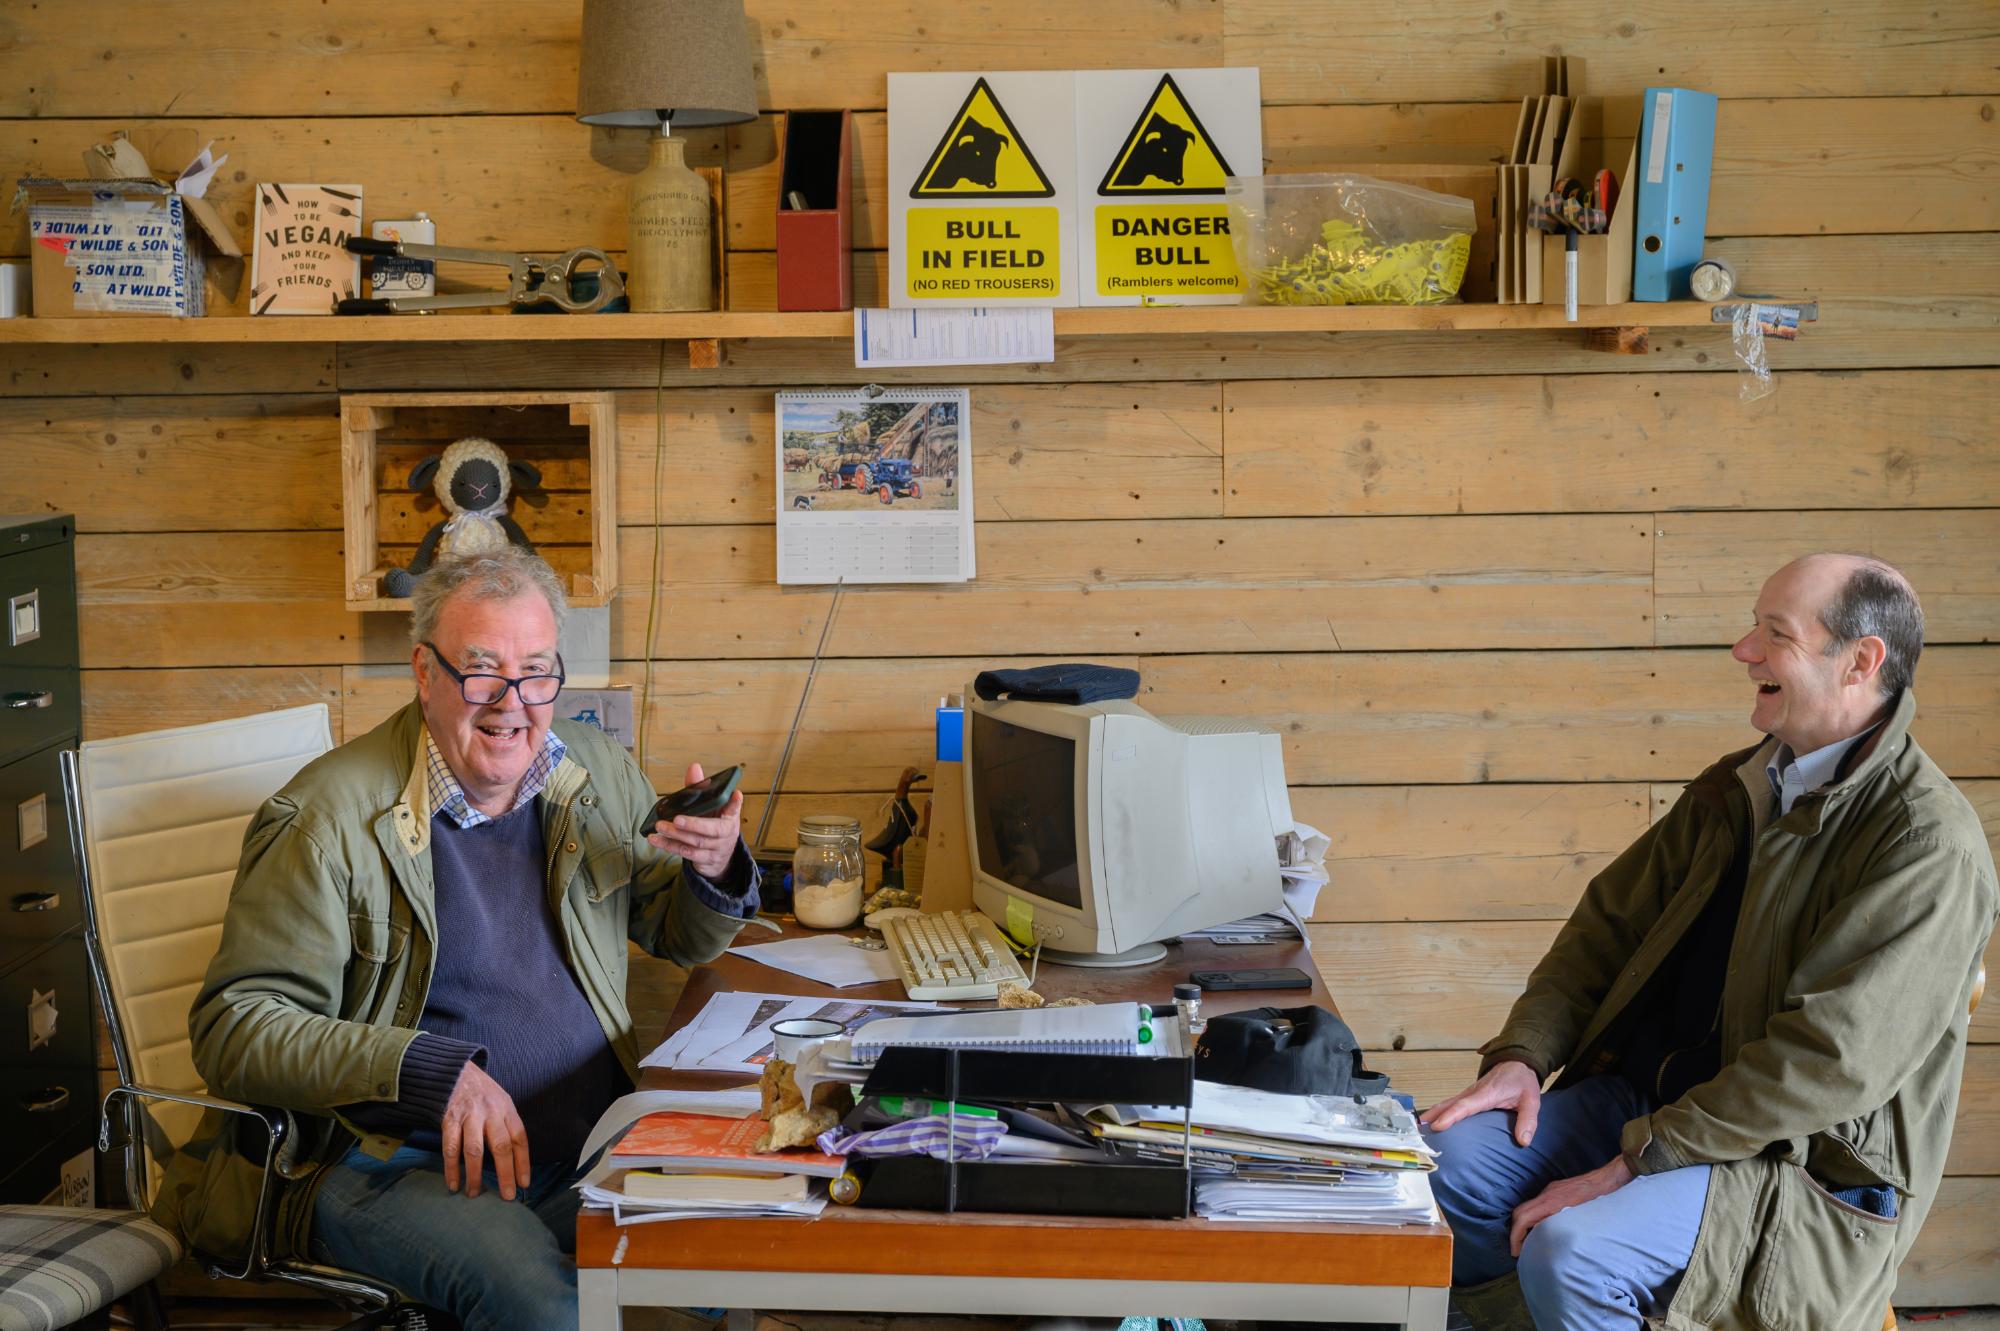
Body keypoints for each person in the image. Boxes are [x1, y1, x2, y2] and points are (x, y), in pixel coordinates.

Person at [156, 550, 760, 1330]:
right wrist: (423, 1068)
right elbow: (234, 1028)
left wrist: (714, 868)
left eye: (537, 672)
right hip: (384, 1159)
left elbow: (677, 932)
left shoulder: (592, 769)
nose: (513, 704)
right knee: (549, 1308)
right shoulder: (323, 819)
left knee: (725, 1264)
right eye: (482, 671)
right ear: (425, 670)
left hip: (582, 1144)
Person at [1421, 554, 1997, 1331]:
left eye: (1774, 633)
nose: (1743, 650)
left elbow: (1827, 1061)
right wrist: (1522, 1056)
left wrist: (1636, 1161)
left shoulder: (1929, 845)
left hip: (1797, 1173)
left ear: (1861, 661)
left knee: (1572, 1252)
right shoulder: (1738, 788)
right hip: (1650, 1109)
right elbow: (1604, 931)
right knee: (1435, 1173)